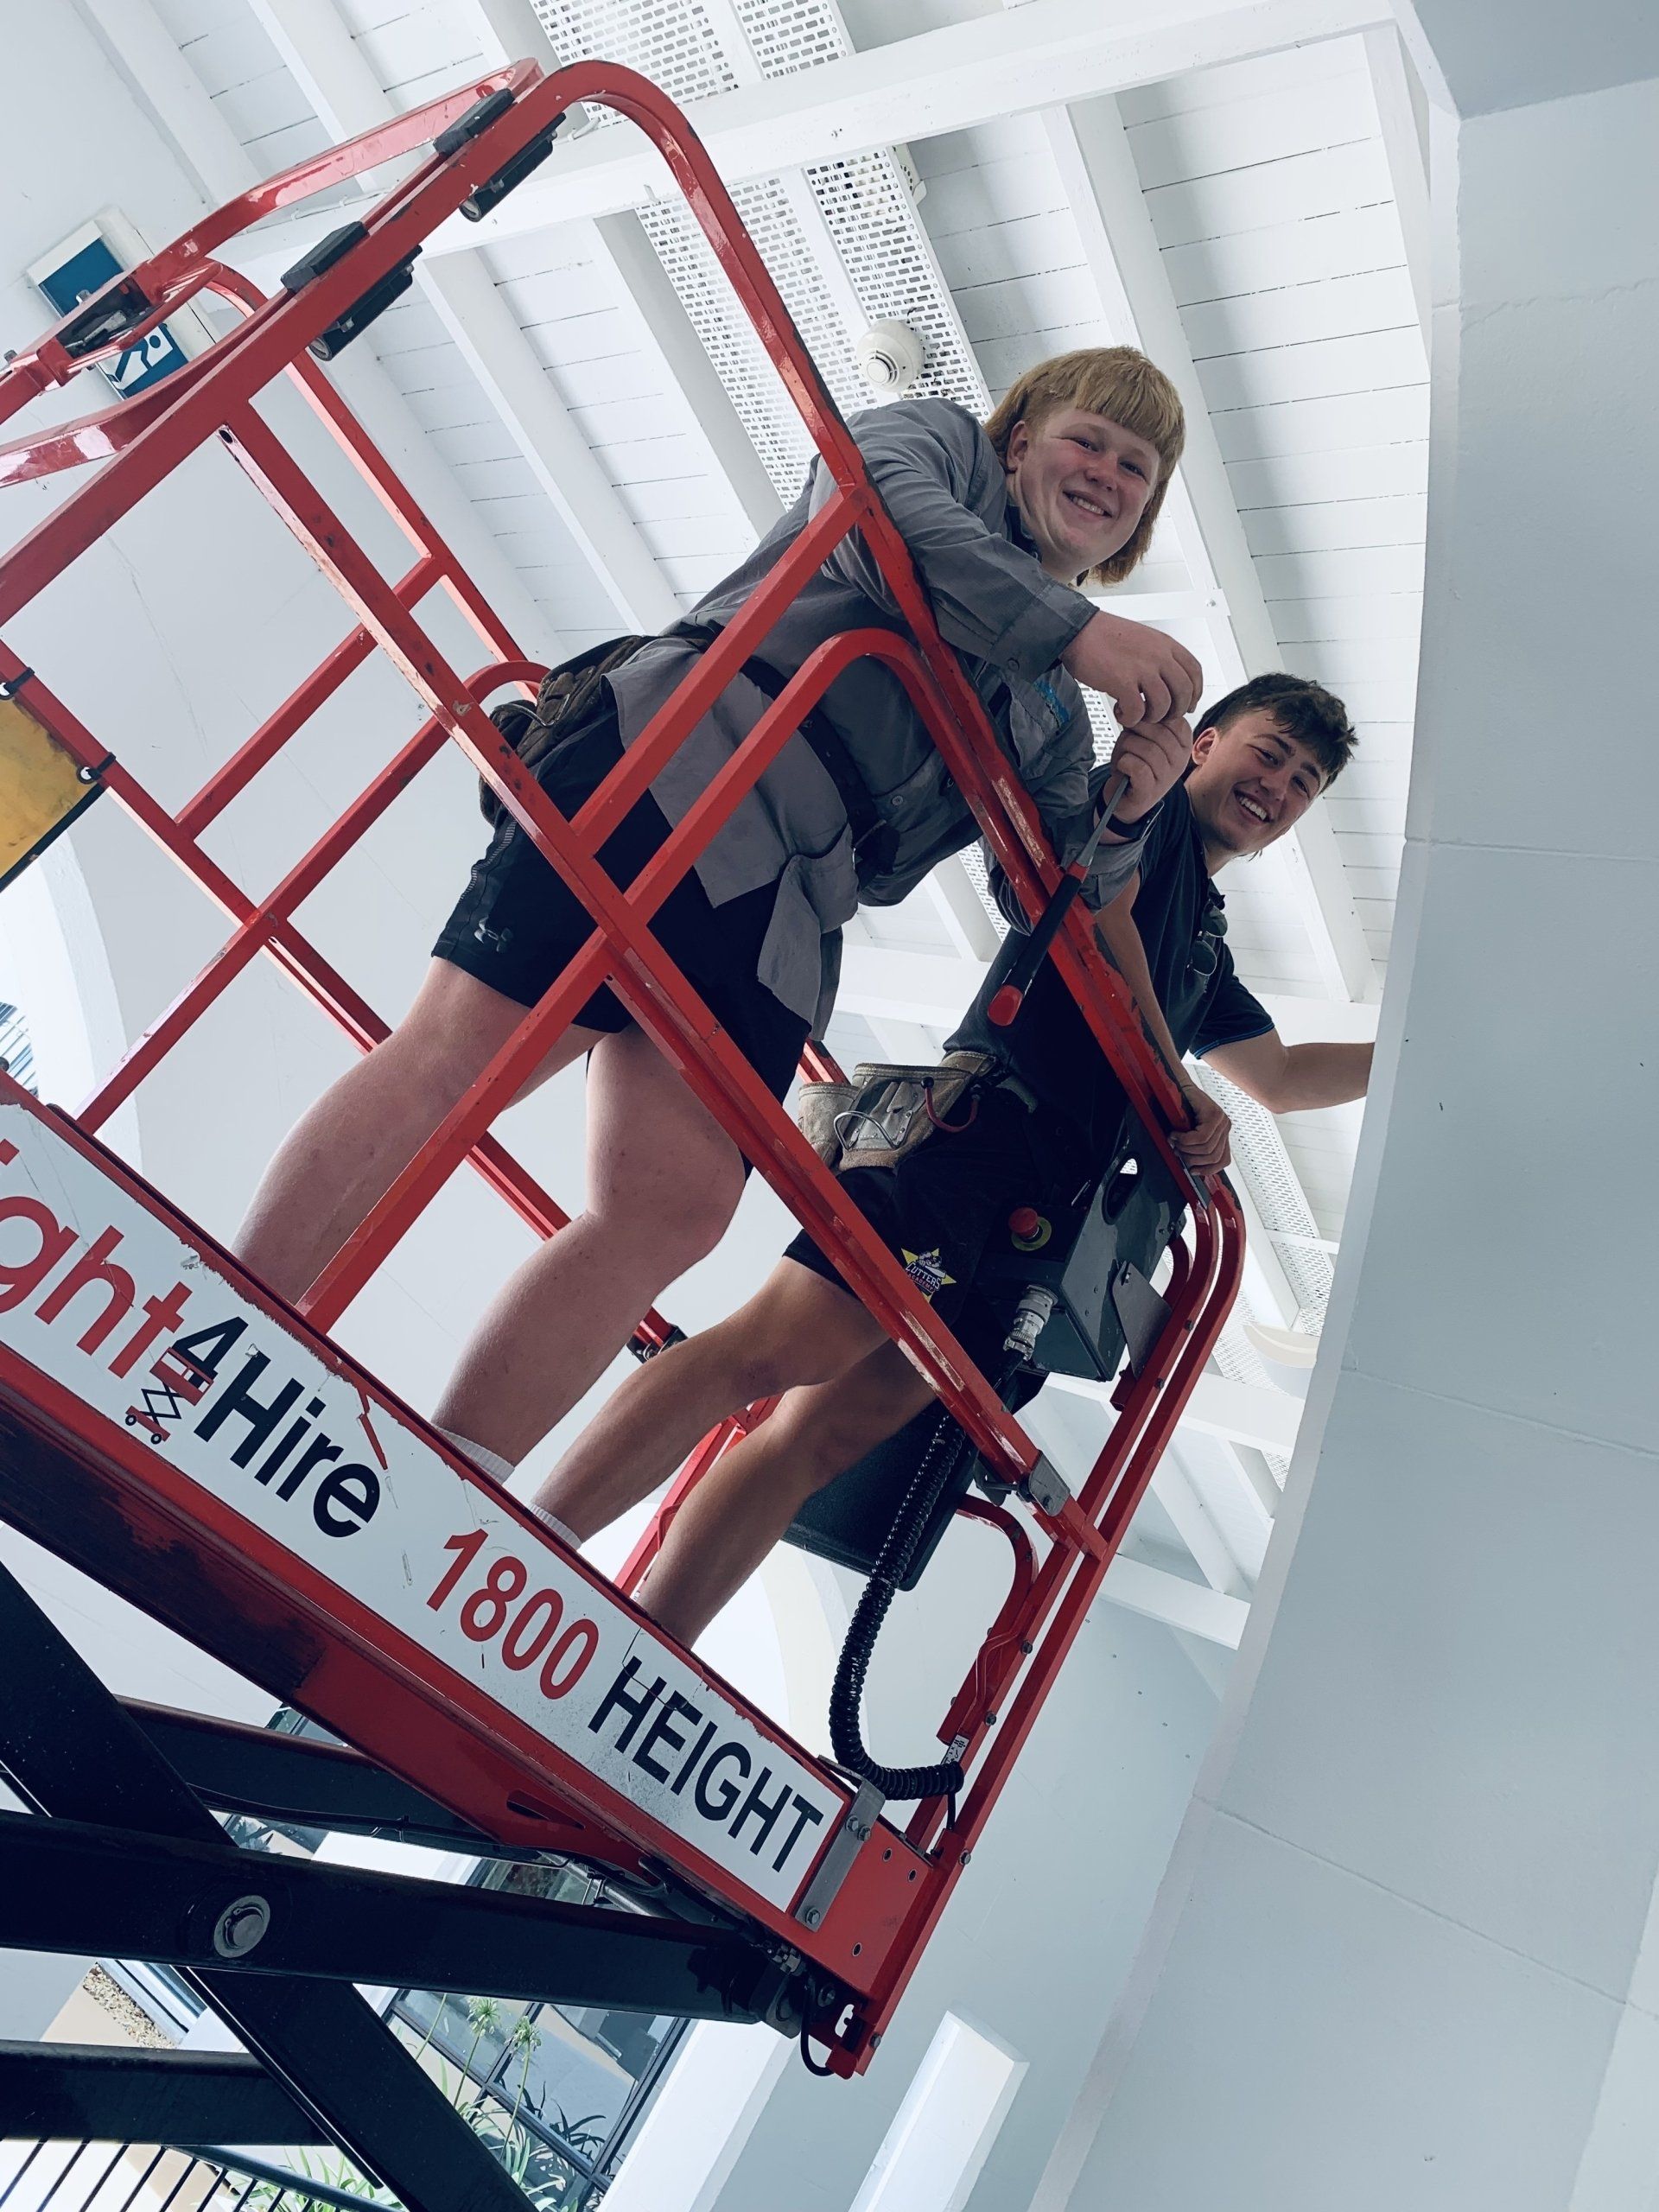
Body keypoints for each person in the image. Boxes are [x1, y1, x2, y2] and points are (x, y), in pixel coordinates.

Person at [234, 348, 1203, 1493]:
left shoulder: (1053, 718)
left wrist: (1126, 813)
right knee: (469, 1051)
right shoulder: (945, 447)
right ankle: (229, 1311)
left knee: (675, 1205)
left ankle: (450, 1477)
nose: (1107, 474)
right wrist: (1077, 629)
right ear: (1021, 438)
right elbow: (874, 499)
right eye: (1090, 439)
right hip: (687, 751)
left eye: (1136, 470)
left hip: (791, 901)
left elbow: (1047, 893)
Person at [531, 674, 1374, 1645]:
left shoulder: (1204, 952)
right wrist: (1172, 1080)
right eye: (1270, 752)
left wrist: (1408, 1056)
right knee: (777, 1345)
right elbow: (1103, 918)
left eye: (1304, 782)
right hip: (978, 1135)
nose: (1280, 786)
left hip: (1042, 1214)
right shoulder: (1146, 815)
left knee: (826, 1435)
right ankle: (538, 1540)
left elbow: (1279, 1076)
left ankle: (645, 1644)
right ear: (1206, 742)